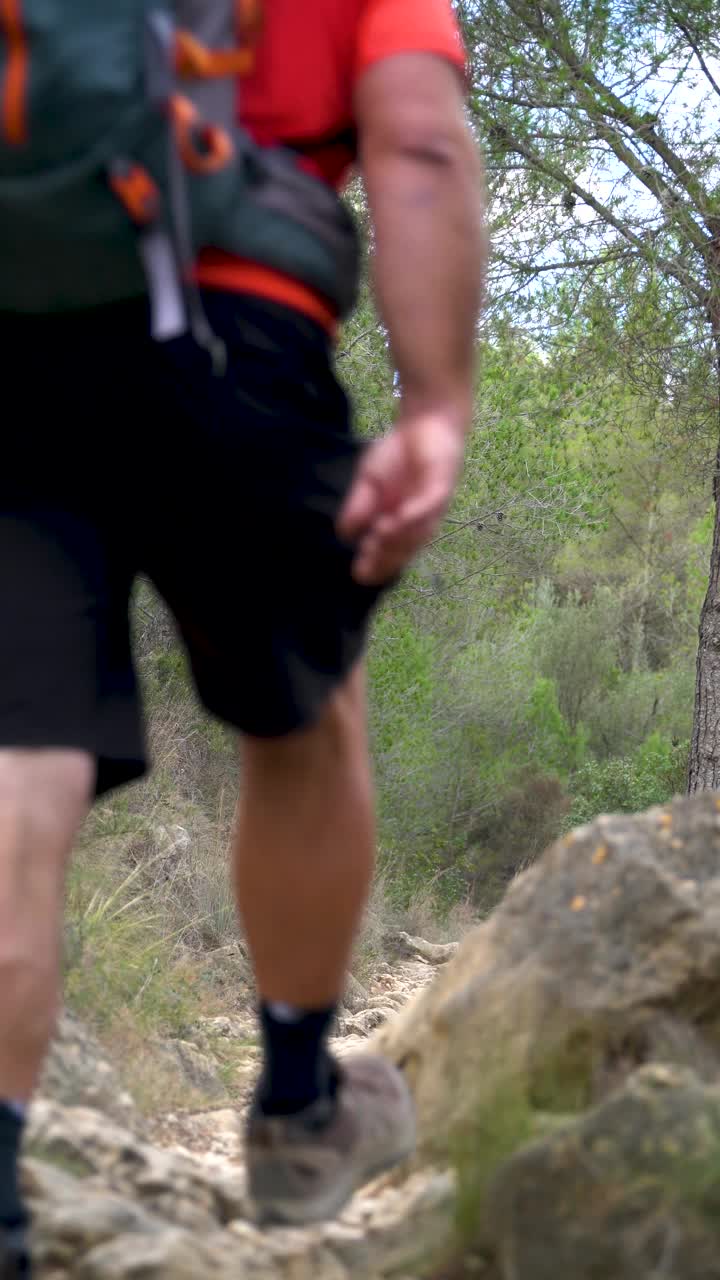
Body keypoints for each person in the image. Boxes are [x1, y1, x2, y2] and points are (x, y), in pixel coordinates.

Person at [0, 0, 485, 1269]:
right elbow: (420, 145)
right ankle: (292, 1104)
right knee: (306, 705)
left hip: (16, 338)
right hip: (239, 337)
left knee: (20, 752)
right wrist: (435, 403)